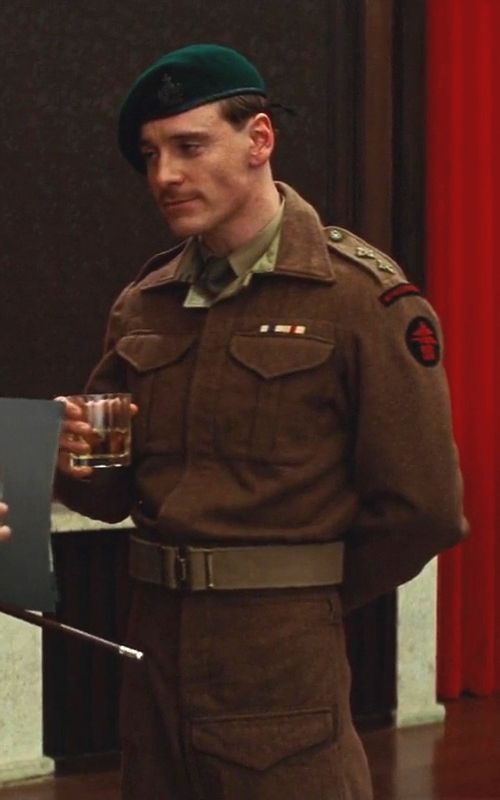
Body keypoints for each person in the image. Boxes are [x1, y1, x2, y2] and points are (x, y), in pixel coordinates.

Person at [54, 44, 468, 800]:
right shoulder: (145, 303)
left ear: (260, 140)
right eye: (150, 155)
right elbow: (110, 495)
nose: (164, 175)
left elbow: (425, 508)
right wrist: (72, 458)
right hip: (153, 651)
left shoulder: (359, 298)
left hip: (280, 662)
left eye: (189, 146)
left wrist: (302, 598)